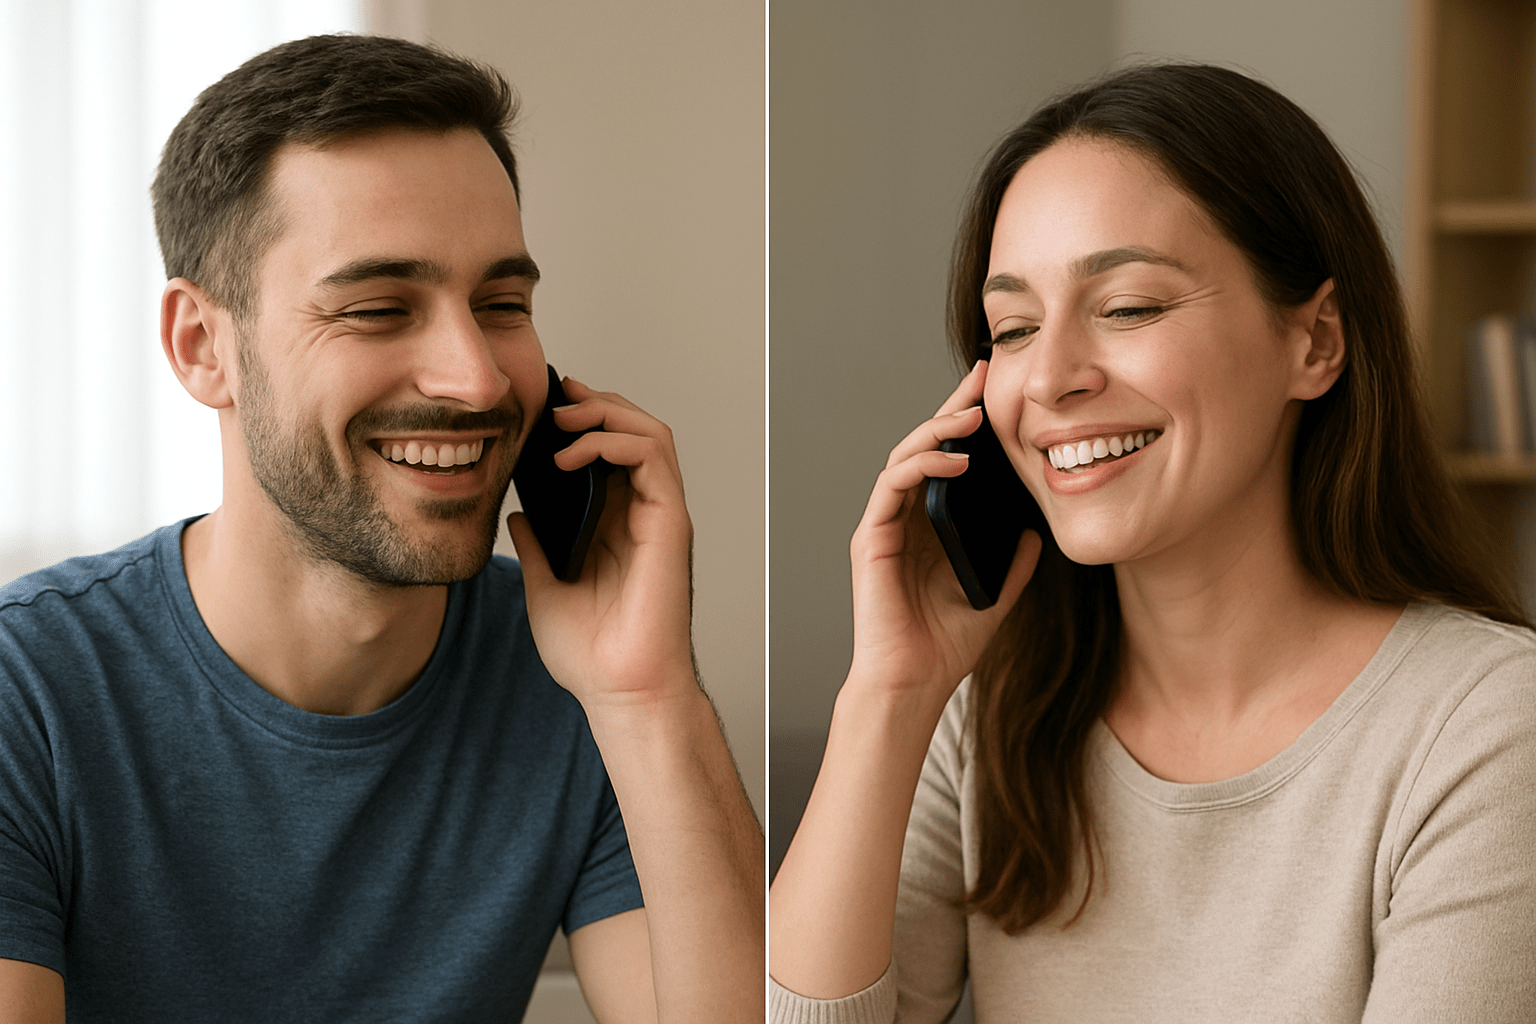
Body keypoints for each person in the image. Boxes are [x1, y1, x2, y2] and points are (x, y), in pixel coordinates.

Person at [0, 33, 762, 1023]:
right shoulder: (28, 696)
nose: (478, 378)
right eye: (375, 308)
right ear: (202, 348)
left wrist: (650, 696)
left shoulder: (576, 677)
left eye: (502, 303)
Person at [769, 63, 1536, 1022]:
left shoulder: (1488, 728)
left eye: (1129, 307)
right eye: (1011, 328)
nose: (1049, 379)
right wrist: (889, 696)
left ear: (1316, 343)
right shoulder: (980, 714)